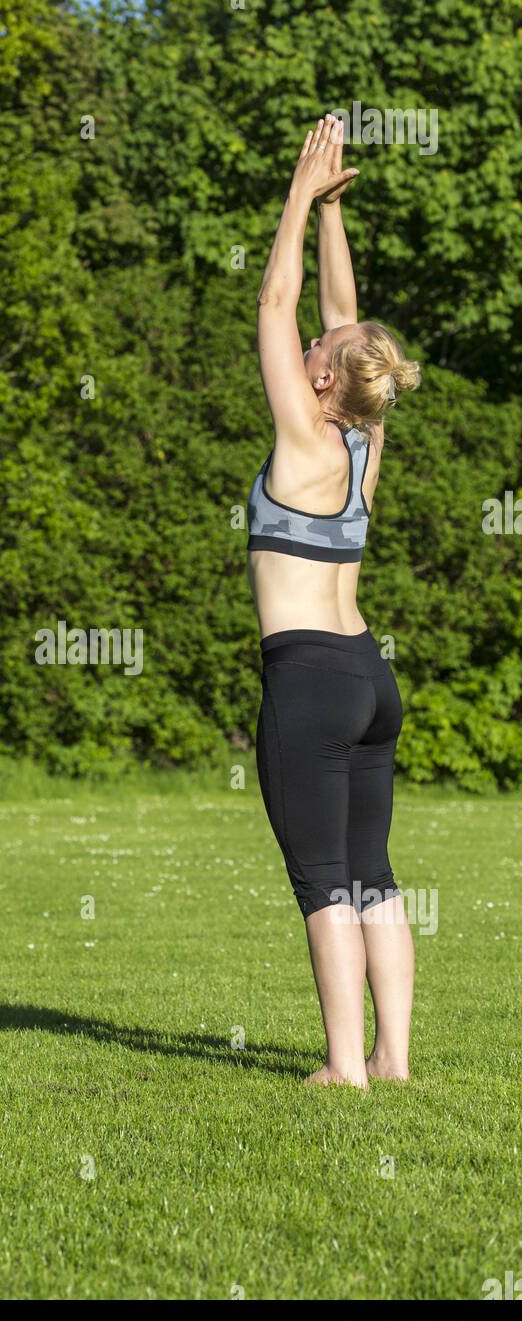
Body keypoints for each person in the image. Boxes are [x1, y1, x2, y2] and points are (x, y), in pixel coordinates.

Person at [247, 114, 421, 1089]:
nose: (315, 335)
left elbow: (278, 305)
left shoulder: (304, 437)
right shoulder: (360, 441)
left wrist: (292, 199)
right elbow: (337, 305)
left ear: (319, 378)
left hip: (309, 678)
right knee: (372, 874)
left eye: (320, 345)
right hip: (367, 677)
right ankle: (389, 1057)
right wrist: (331, 213)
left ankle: (341, 1069)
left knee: (321, 881)